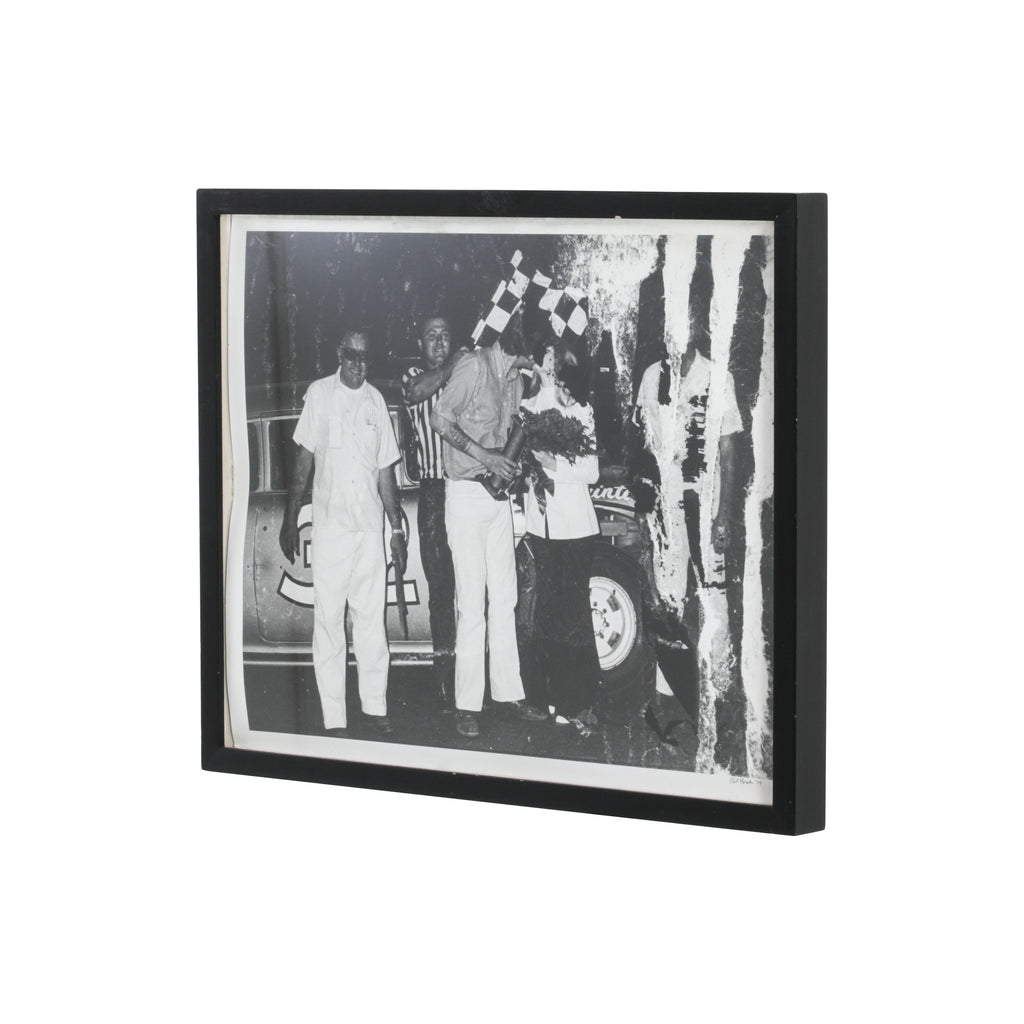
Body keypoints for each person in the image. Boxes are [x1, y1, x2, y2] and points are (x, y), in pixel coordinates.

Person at [279, 329, 407, 736]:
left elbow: (385, 471)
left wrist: (396, 528)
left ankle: (375, 707)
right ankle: (334, 718)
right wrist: (290, 515)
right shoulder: (320, 395)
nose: (358, 363)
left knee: (371, 621)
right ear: (339, 353)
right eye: (351, 354)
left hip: (369, 531)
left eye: (365, 356)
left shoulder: (376, 402)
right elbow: (303, 459)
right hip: (331, 531)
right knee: (329, 623)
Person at [429, 334, 548, 738]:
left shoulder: (514, 378)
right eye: (536, 350)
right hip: (465, 495)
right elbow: (439, 419)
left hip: (499, 499)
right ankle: (466, 705)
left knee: (505, 598)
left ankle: (508, 693)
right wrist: (486, 456)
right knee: (471, 604)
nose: (539, 358)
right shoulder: (473, 366)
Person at [636, 337, 741, 721]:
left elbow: (728, 451)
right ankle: (667, 696)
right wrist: (645, 511)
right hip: (666, 508)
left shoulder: (717, 376)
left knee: (714, 600)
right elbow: (645, 446)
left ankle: (722, 693)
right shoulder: (652, 376)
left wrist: (724, 514)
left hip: (705, 505)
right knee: (668, 600)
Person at [518, 335, 602, 736]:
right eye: (543, 359)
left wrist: (553, 465)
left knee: (574, 615)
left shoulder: (580, 408)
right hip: (541, 526)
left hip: (575, 528)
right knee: (546, 614)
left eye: (554, 359)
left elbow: (591, 472)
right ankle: (548, 698)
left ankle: (579, 703)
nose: (549, 366)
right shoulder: (527, 408)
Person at [401, 316, 462, 711]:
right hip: (433, 492)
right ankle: (445, 683)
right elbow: (418, 391)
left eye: (445, 335)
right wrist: (456, 362)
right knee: (441, 591)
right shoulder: (414, 375)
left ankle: (471, 680)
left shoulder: (462, 372)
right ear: (420, 344)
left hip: (465, 488)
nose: (439, 342)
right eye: (431, 336)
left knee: (469, 589)